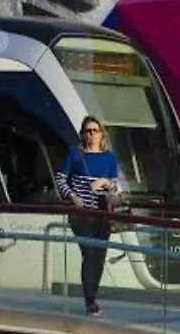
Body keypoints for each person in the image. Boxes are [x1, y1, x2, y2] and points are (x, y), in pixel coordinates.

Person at [53, 115, 121, 317]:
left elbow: (116, 186)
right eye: (87, 131)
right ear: (82, 134)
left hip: (102, 214)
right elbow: (60, 178)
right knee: (90, 253)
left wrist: (105, 183)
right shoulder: (75, 155)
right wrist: (73, 197)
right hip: (81, 215)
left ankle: (93, 297)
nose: (91, 134)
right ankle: (90, 301)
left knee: (99, 257)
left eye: (94, 130)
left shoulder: (109, 158)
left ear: (101, 134)